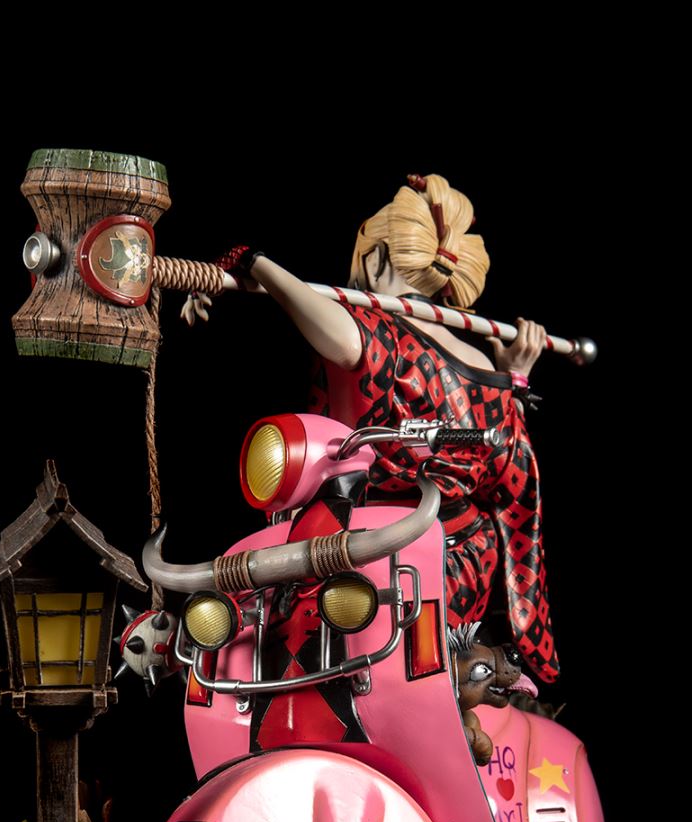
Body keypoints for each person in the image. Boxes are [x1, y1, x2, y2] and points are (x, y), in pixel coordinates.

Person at [222, 175, 559, 684]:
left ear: (377, 259)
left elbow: (326, 324)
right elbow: (510, 472)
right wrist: (515, 379)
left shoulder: (377, 333)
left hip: (377, 555)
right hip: (467, 558)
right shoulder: (487, 367)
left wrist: (252, 261)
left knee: (319, 664)